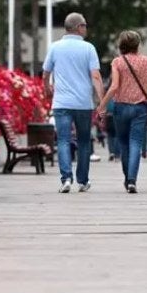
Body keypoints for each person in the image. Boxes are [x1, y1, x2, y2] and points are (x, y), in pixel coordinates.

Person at [42, 12, 105, 193]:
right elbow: (95, 76)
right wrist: (102, 101)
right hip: (83, 104)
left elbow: (46, 73)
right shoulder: (88, 48)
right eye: (84, 25)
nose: (86, 28)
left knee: (63, 140)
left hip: (61, 103)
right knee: (84, 141)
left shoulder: (55, 47)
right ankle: (83, 181)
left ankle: (66, 179)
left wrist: (47, 89)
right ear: (79, 27)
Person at [96, 30, 147, 193]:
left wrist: (102, 105)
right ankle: (132, 180)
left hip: (121, 107)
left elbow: (115, 86)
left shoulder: (118, 62)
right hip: (140, 108)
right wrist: (146, 85)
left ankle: (127, 177)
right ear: (138, 44)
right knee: (136, 143)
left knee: (123, 143)